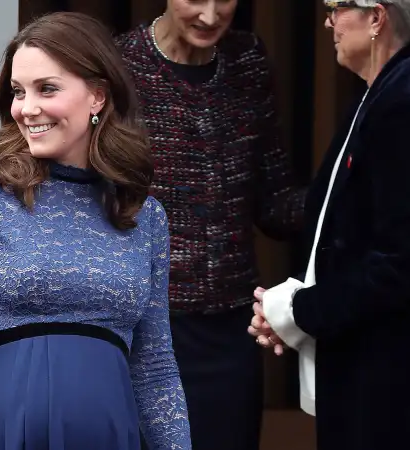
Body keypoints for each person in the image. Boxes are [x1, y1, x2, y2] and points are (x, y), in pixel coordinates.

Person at [0, 11, 191, 450]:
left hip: (109, 432)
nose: (28, 108)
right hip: (2, 430)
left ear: (97, 96)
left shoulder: (144, 214)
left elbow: (155, 364)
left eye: (47, 89)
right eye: (18, 92)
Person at [249, 1, 410, 449]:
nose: (327, 22)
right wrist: (291, 309)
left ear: (376, 18)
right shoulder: (382, 92)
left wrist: (297, 312)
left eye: (337, 8)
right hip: (371, 373)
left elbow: (396, 267)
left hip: (394, 386)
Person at [115, 2, 305, 449]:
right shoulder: (119, 67)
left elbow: (275, 202)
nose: (210, 14)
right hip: (141, 327)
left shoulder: (248, 63)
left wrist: (347, 194)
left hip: (229, 332)